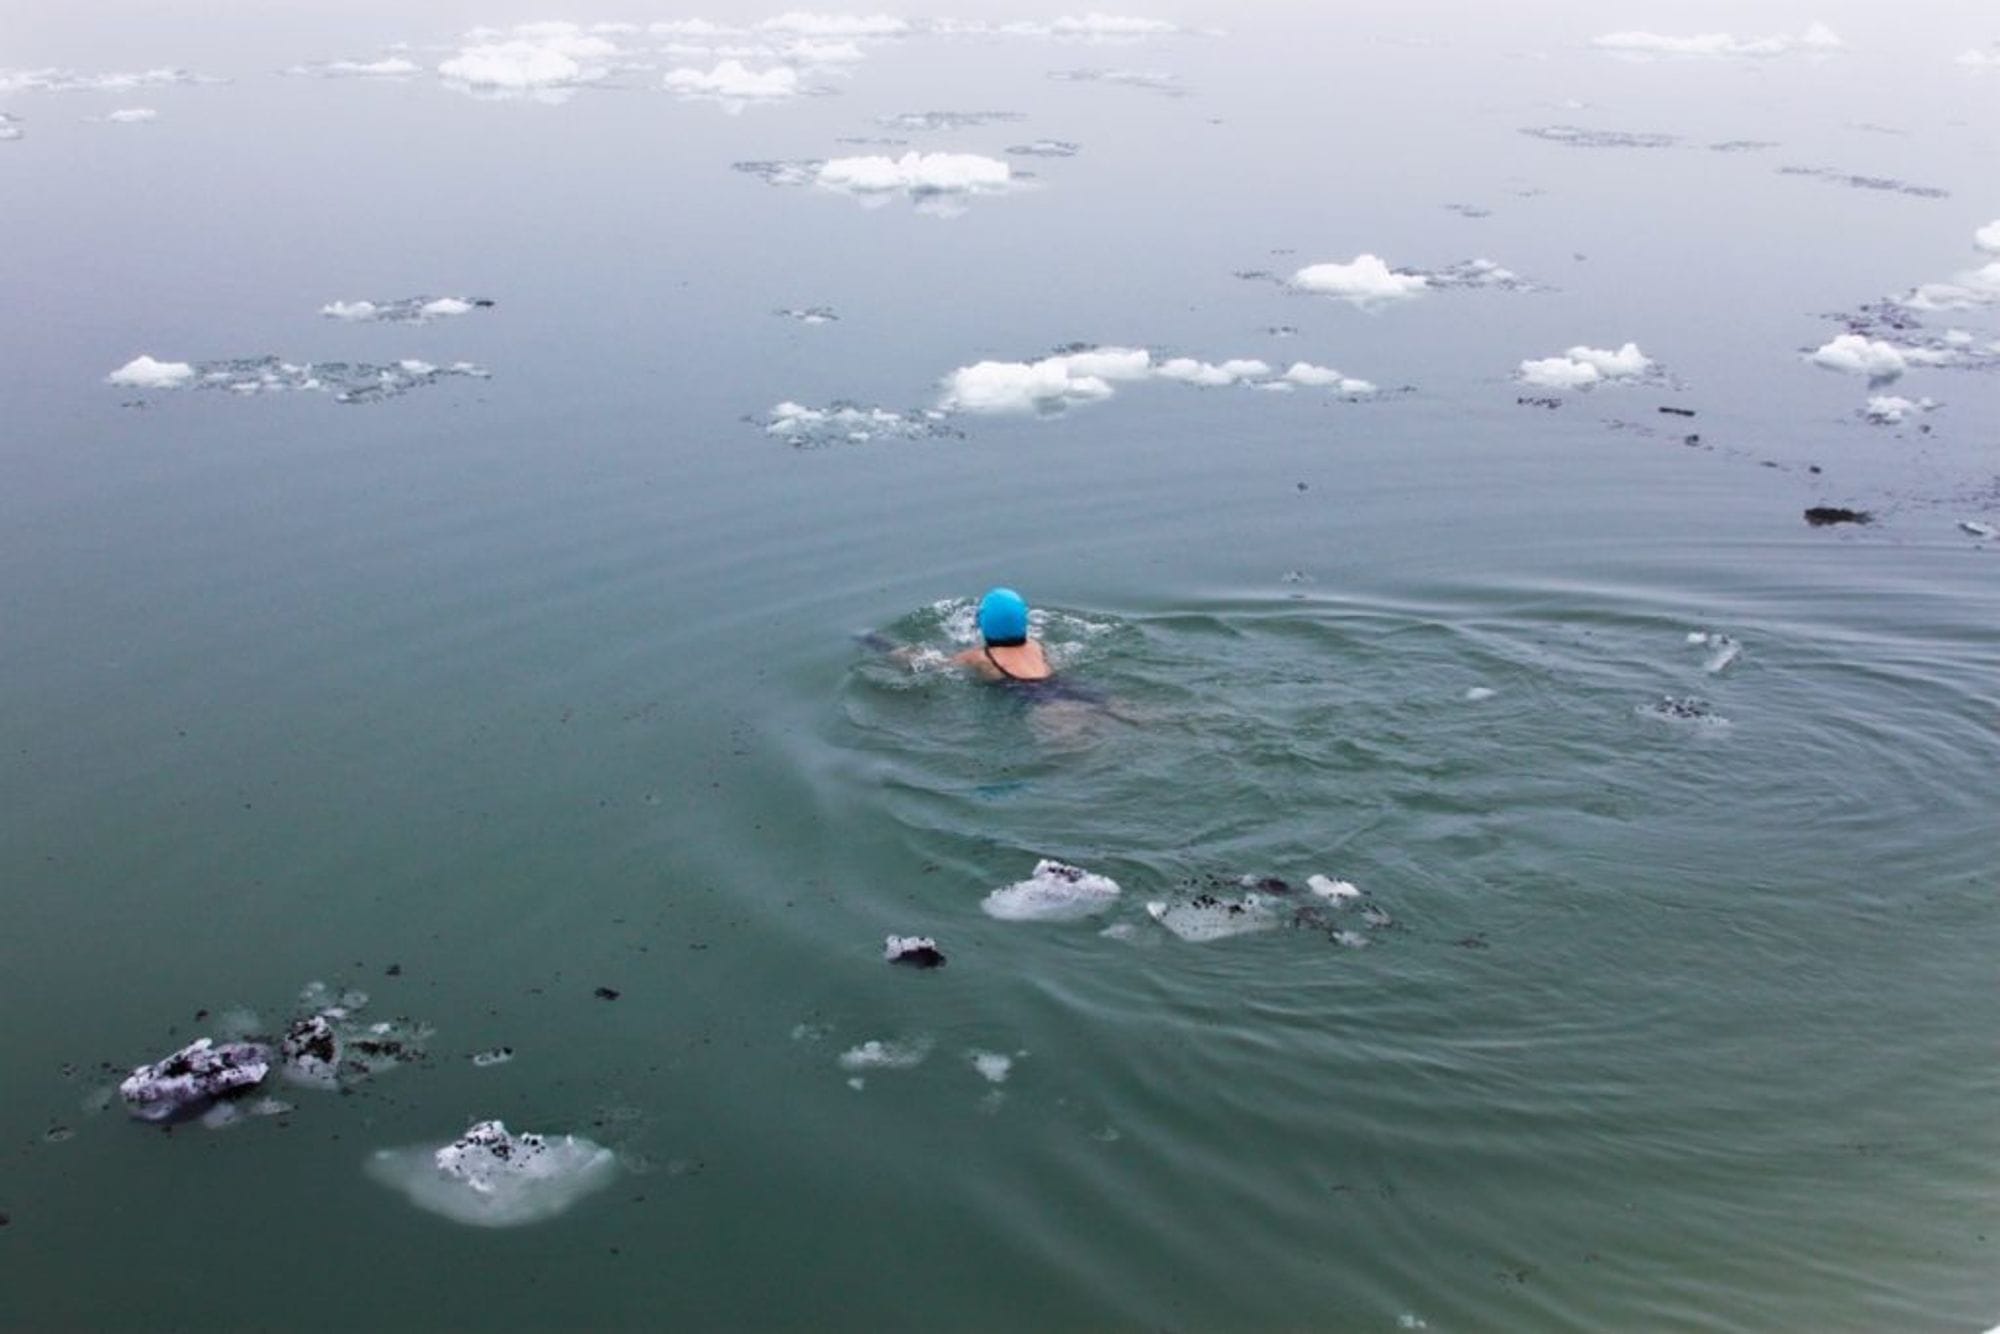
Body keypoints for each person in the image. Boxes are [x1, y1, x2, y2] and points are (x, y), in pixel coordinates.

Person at [954, 587, 1054, 683]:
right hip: (1055, 683)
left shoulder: (978, 656)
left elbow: (945, 667)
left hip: (1025, 691)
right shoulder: (1034, 645)